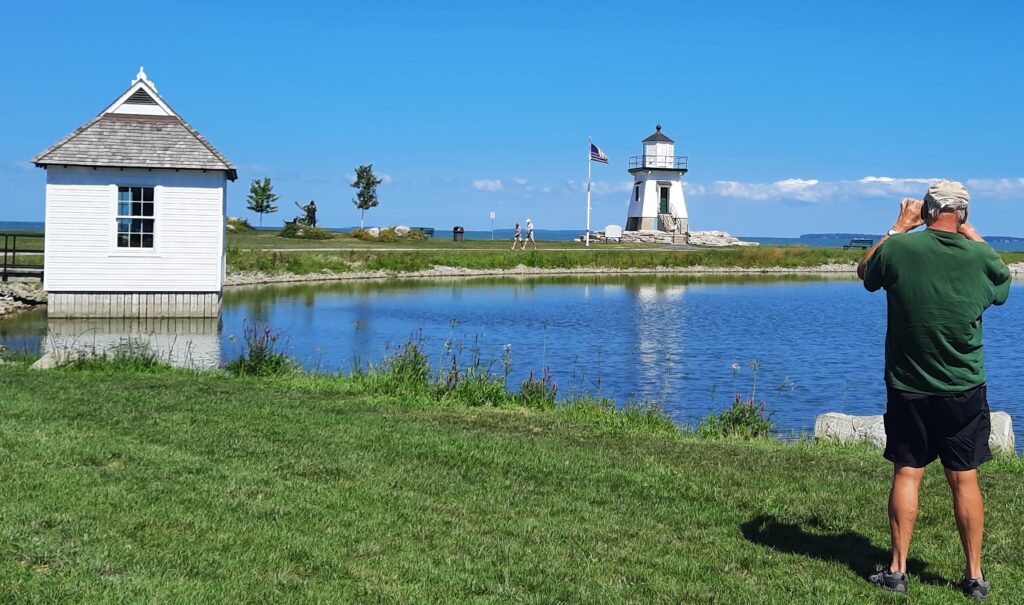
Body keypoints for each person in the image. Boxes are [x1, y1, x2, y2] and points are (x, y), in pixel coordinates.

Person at [859, 180, 1010, 599]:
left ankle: (897, 571)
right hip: (964, 386)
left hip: (909, 384)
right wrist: (974, 236)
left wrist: (897, 227)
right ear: (961, 213)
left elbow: (864, 273)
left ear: (925, 209)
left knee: (908, 472)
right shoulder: (980, 256)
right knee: (965, 479)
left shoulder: (899, 249)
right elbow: (1002, 287)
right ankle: (975, 577)